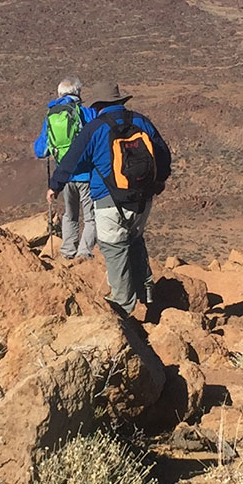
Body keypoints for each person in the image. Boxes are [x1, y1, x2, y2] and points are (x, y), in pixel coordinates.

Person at [46, 81, 172, 316]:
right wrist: (160, 181)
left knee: (114, 249)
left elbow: (72, 160)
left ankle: (124, 308)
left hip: (107, 200)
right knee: (134, 240)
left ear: (99, 105)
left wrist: (55, 185)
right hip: (142, 199)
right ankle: (146, 294)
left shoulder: (95, 128)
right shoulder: (141, 121)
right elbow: (163, 153)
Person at [34, 78, 96, 260]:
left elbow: (40, 150)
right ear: (78, 93)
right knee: (91, 218)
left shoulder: (52, 116)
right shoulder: (86, 113)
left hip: (65, 176)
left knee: (70, 215)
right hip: (87, 174)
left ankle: (68, 252)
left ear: (59, 94)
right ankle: (84, 254)